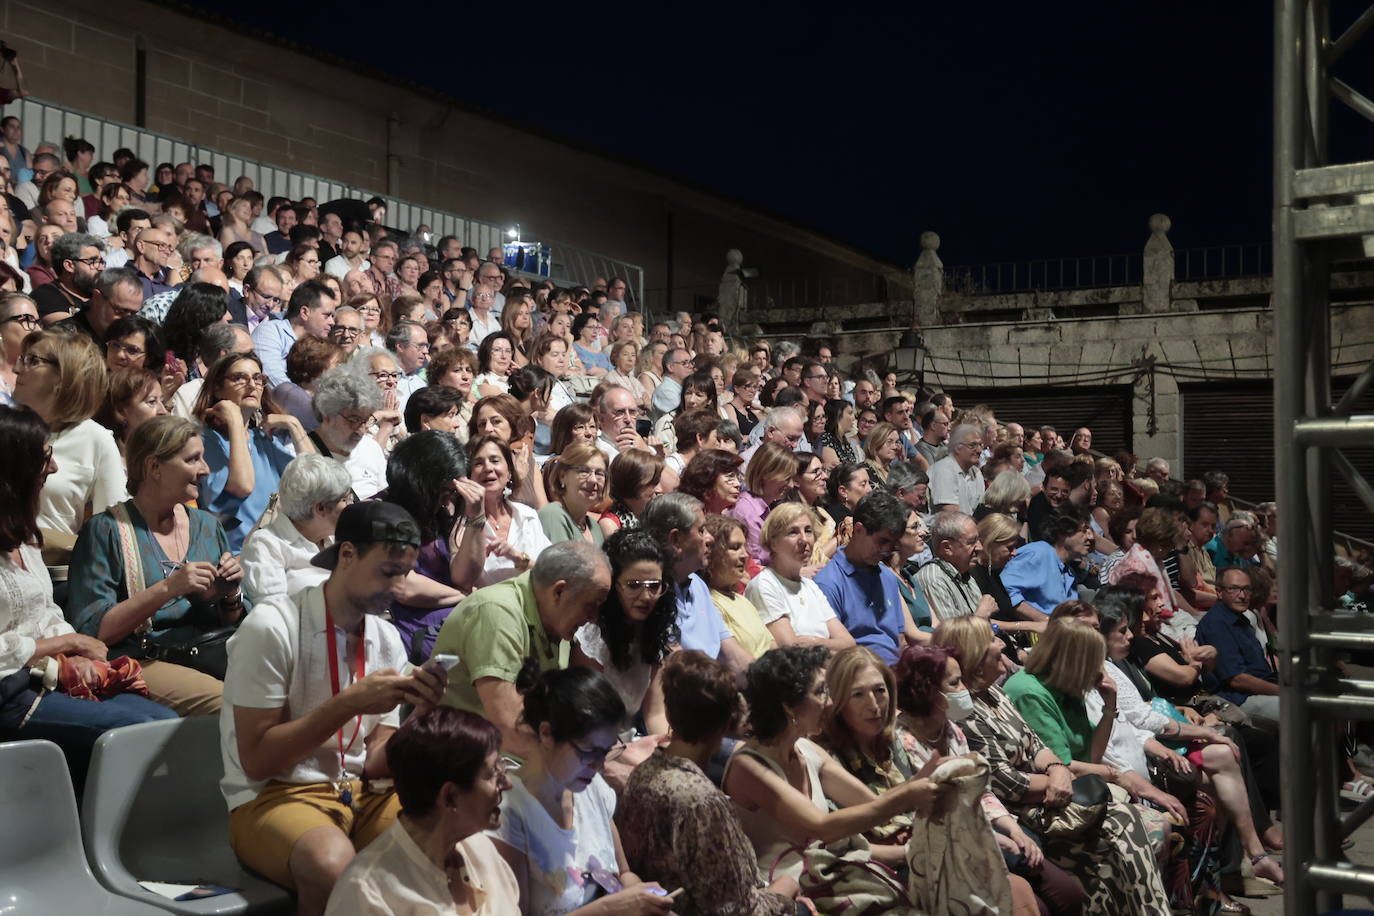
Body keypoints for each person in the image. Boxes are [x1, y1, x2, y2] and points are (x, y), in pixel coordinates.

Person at [221, 500, 446, 914]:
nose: (399, 588)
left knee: (445, 838)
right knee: (332, 865)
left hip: (358, 790)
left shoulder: (384, 637)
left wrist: (422, 713)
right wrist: (348, 704)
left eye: (405, 574)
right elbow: (256, 760)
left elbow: (377, 760)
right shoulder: (272, 626)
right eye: (388, 572)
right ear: (346, 555)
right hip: (273, 794)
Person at [934, 615, 1173, 915]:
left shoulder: (995, 692)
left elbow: (1037, 744)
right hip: (1022, 810)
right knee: (1122, 831)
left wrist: (1057, 769)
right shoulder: (968, 710)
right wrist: (1059, 779)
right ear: (975, 657)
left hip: (1050, 792)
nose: (1002, 644)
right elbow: (1008, 784)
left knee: (1127, 822)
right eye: (993, 640)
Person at [0, 405, 177, 791]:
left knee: (165, 721)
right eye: (45, 458)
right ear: (14, 468)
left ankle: (144, 836)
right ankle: (111, 837)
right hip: (10, 692)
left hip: (45, 676)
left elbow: (44, 608)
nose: (54, 469)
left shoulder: (23, 537)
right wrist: (69, 641)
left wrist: (75, 655)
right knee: (143, 732)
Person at [1094, 587, 1285, 887]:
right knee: (1221, 758)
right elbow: (1147, 710)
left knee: (1226, 747)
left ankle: (1248, 859)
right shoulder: (1115, 663)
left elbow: (1147, 708)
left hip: (1160, 732)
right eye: (1124, 629)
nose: (1132, 633)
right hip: (1141, 752)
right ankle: (1228, 871)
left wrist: (1197, 670)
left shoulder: (1125, 657)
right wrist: (1195, 670)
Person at [721, 646, 955, 878]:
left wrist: (925, 778)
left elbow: (873, 803)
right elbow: (822, 827)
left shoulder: (806, 748)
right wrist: (909, 798)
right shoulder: (749, 766)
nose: (831, 702)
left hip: (828, 875)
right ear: (789, 706)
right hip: (790, 895)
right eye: (821, 691)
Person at [68, 416, 241, 716]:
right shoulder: (108, 530)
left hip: (209, 649)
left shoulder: (208, 526)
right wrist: (167, 589)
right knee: (228, 703)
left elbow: (231, 621)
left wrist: (229, 594)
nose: (206, 469)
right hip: (143, 657)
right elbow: (94, 633)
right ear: (154, 467)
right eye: (193, 459)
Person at [616, 651, 805, 915]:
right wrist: (788, 887)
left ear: (671, 714)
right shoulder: (701, 802)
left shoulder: (642, 774)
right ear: (726, 724)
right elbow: (737, 911)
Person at [488, 665, 671, 915]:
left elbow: (623, 873)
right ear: (547, 734)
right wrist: (609, 907)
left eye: (606, 752)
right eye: (589, 752)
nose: (599, 765)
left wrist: (642, 895)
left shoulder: (591, 787)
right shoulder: (509, 812)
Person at [890, 646, 1056, 916]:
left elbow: (982, 791)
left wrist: (1012, 830)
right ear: (927, 690)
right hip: (941, 849)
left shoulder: (952, 730)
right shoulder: (901, 742)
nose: (965, 690)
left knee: (1064, 892)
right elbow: (927, 813)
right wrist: (995, 839)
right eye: (955, 683)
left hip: (979, 827)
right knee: (1030, 902)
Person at [323, 706, 519, 916]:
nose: (507, 784)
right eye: (492, 775)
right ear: (450, 796)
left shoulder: (482, 850)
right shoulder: (367, 892)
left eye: (502, 769)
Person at [431, 540, 610, 757]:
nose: (593, 618)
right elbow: (507, 727)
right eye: (592, 604)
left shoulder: (557, 620)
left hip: (511, 756)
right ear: (559, 591)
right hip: (465, 759)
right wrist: (586, 757)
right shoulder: (496, 613)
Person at [12, 329, 126, 582]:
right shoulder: (5, 427)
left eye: (33, 361)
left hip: (57, 581)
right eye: (22, 358)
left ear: (64, 377)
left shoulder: (96, 440)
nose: (18, 368)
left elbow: (112, 533)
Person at [194, 351, 312, 551]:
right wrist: (234, 421)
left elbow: (316, 482)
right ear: (217, 388)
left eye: (258, 379)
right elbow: (242, 486)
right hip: (237, 556)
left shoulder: (261, 439)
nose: (251, 385)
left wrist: (293, 424)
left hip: (281, 548)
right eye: (239, 377)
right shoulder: (205, 441)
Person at [572, 530, 677, 733]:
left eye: (654, 586)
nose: (646, 596)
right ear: (612, 584)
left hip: (632, 739)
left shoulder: (654, 634)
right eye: (634, 585)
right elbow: (585, 718)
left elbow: (655, 714)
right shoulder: (592, 638)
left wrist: (664, 748)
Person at [640, 493, 753, 672]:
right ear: (676, 540)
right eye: (701, 530)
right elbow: (683, 674)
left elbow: (733, 656)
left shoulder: (697, 584)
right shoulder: (651, 595)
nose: (710, 539)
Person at [815, 490, 922, 664]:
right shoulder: (828, 582)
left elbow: (900, 640)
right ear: (858, 530)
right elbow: (832, 656)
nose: (886, 550)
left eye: (892, 545)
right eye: (882, 541)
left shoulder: (887, 577)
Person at [240, 453, 350, 604]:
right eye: (344, 499)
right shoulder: (266, 546)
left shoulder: (341, 539)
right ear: (320, 508)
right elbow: (272, 615)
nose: (350, 506)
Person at [746, 502, 855, 652]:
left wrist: (813, 641)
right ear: (773, 542)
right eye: (793, 532)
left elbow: (848, 643)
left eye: (808, 531)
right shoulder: (765, 584)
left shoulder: (810, 585)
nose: (804, 539)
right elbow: (791, 649)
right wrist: (829, 644)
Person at [1196, 566, 1280, 730]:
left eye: (1246, 589)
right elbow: (1237, 679)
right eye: (1234, 589)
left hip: (1260, 691)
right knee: (1305, 711)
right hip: (1238, 700)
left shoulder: (1242, 620)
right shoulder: (1217, 624)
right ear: (1219, 592)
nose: (1242, 595)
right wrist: (1281, 691)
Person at [702, 514, 777, 660]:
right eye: (735, 547)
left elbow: (772, 646)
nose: (745, 555)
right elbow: (734, 660)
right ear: (712, 552)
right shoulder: (708, 602)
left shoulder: (742, 600)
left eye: (744, 546)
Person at [309, 366, 388, 499]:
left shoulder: (371, 447)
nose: (362, 430)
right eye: (353, 420)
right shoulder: (299, 452)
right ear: (327, 414)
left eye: (366, 420)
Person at [1000, 507, 1093, 618]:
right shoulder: (1038, 553)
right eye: (1083, 531)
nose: (1090, 537)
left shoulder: (1069, 573)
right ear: (1063, 532)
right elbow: (1005, 590)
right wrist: (1044, 620)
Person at [915, 511, 994, 623]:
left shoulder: (965, 573)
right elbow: (952, 636)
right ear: (947, 547)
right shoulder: (934, 580)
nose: (980, 547)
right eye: (971, 542)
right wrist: (982, 614)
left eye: (978, 540)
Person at [729, 440, 796, 565]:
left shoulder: (767, 508)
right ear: (766, 473)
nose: (791, 485)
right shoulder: (746, 511)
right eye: (787, 478)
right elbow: (752, 566)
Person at [539, 443, 608, 547]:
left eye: (599, 473)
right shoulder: (553, 514)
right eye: (584, 471)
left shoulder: (595, 527)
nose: (593, 480)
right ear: (562, 476)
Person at [95, 365, 168, 452]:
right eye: (152, 402)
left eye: (163, 402)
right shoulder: (104, 455)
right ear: (120, 411)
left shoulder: (171, 453)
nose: (164, 411)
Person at [598, 449, 663, 538]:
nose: (659, 489)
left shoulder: (652, 518)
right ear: (633, 484)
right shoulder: (611, 525)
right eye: (653, 483)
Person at [677, 446, 743, 515]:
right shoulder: (689, 522)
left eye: (738, 477)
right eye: (730, 478)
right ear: (707, 481)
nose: (738, 484)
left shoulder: (733, 519)